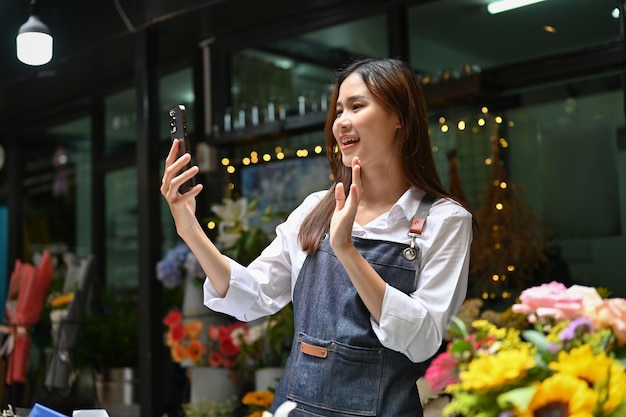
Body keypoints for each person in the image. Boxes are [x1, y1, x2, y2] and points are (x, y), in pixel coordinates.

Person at [161, 57, 473, 417]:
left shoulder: (444, 220)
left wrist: (346, 250)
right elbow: (253, 296)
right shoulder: (315, 209)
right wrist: (189, 228)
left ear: (399, 118)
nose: (341, 121)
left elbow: (421, 340)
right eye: (339, 110)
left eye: (357, 106)